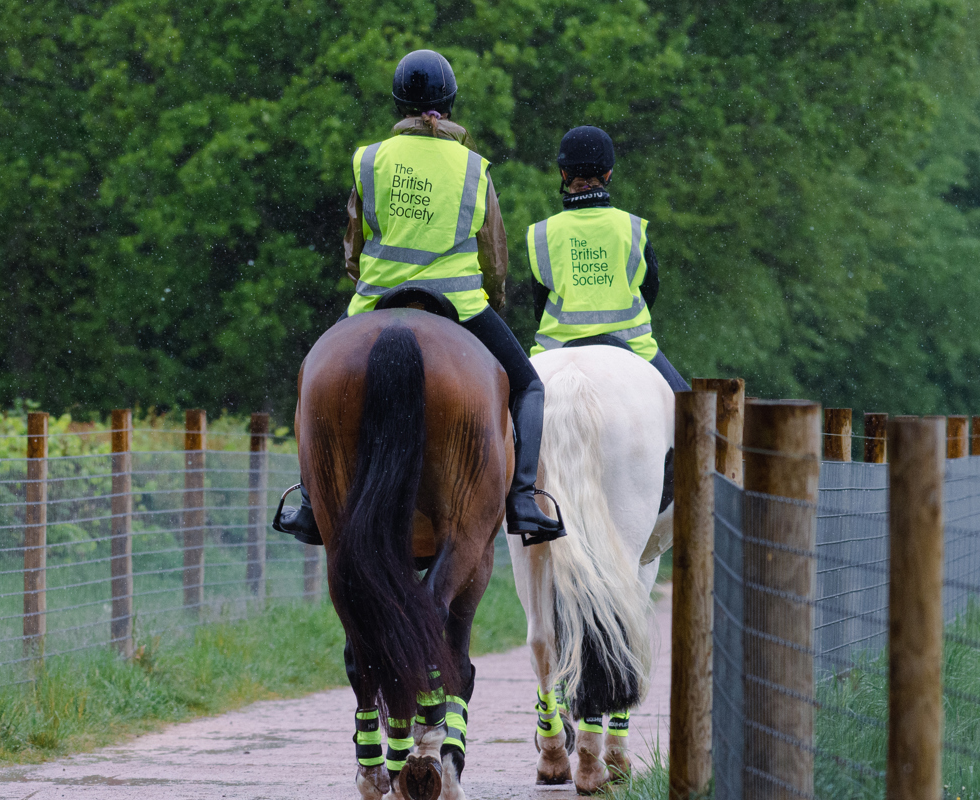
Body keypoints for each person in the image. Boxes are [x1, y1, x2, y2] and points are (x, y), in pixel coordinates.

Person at [274, 49, 565, 547]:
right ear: (449, 103)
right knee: (529, 388)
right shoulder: (474, 167)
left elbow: (353, 244)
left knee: (310, 380)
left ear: (398, 102)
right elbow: (494, 255)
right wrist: (490, 299)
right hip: (460, 303)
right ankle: (522, 499)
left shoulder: (370, 159)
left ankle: (308, 502)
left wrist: (367, 281)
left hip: (375, 300)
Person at [524, 126, 689, 392]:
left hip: (554, 348)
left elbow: (538, 306)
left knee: (506, 415)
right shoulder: (633, 228)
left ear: (564, 174)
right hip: (634, 345)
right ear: (608, 173)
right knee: (695, 421)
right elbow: (650, 293)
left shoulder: (541, 233)